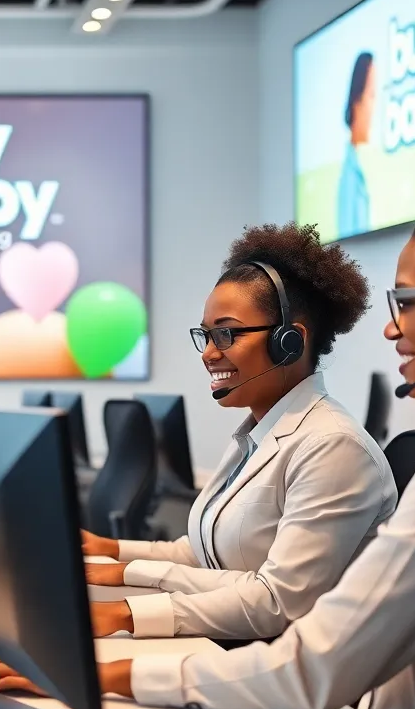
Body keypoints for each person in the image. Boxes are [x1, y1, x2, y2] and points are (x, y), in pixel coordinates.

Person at [0, 132, 415, 709]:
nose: (393, 326)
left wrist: (97, 674)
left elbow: (313, 665)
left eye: (410, 302)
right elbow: (227, 571)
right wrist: (117, 572)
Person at [77, 223, 395, 643]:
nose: (209, 352)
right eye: (206, 335)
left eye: (225, 333)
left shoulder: (332, 447)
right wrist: (109, 551)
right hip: (239, 653)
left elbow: (278, 603)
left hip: (297, 681)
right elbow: (206, 551)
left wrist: (127, 612)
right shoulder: (256, 434)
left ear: (289, 342)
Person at [338, 52, 375, 239]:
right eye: (372, 95)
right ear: (356, 103)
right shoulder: (349, 174)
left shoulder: (362, 163)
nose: (375, 107)